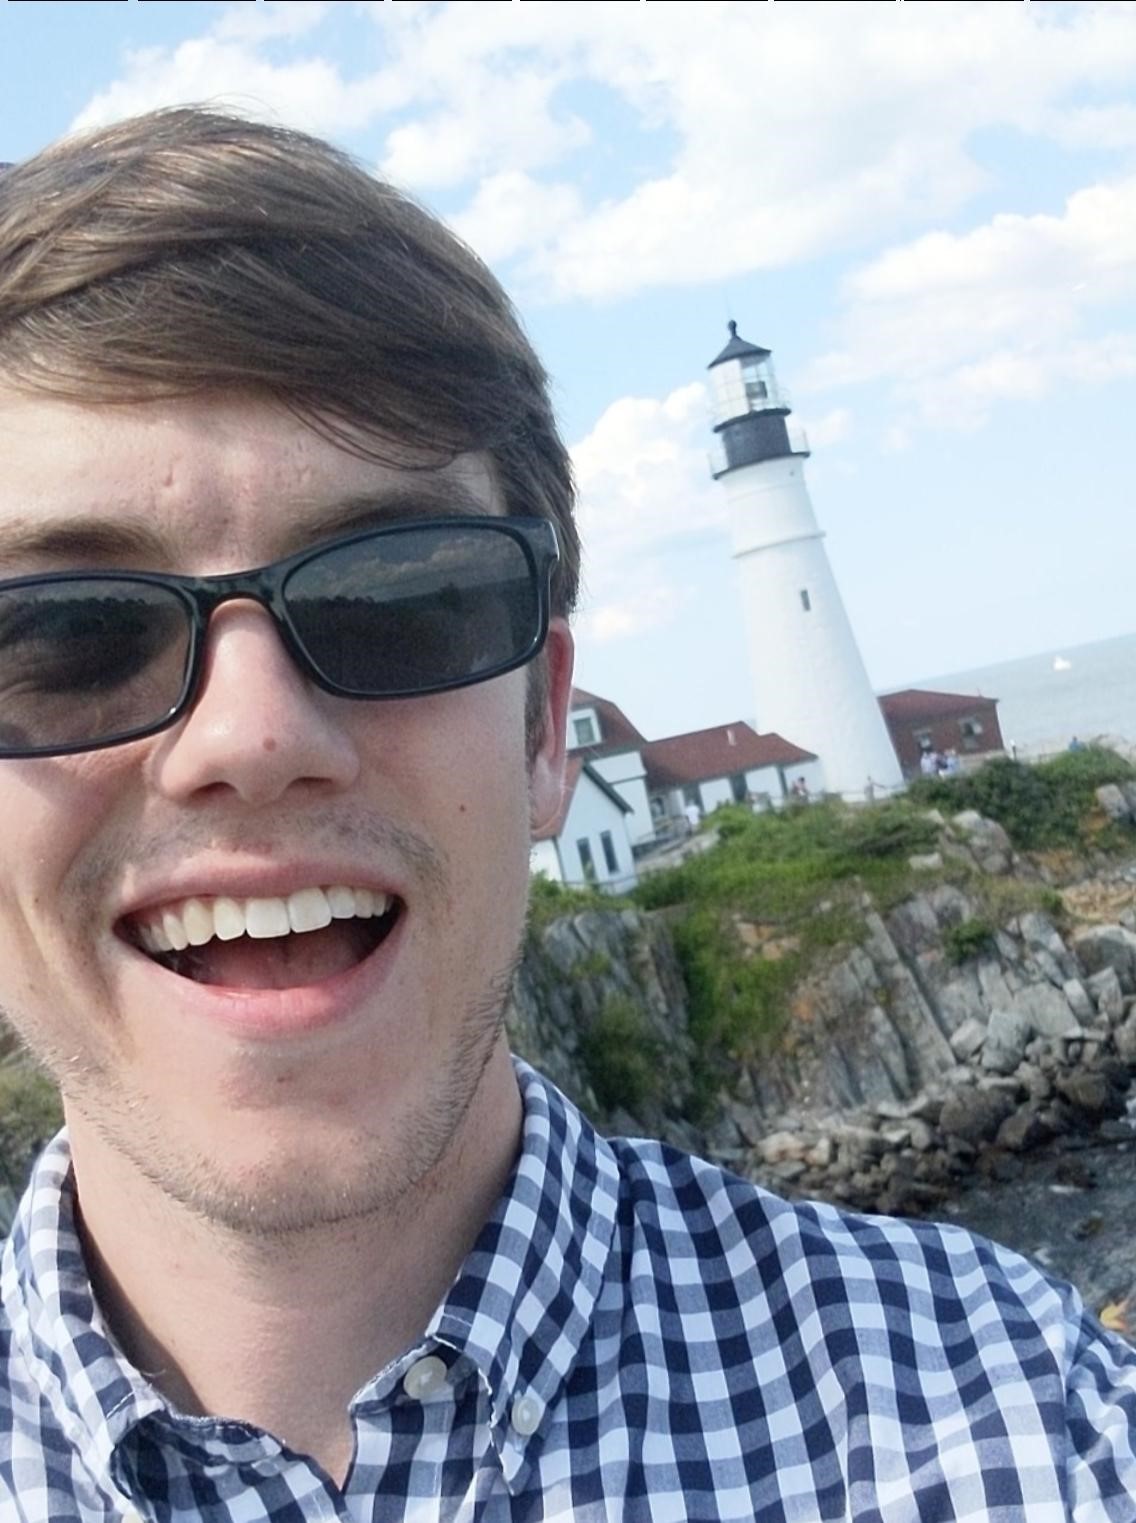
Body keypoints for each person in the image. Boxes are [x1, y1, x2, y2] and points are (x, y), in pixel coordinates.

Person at [0, 109, 1132, 1523]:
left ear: (545, 730)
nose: (253, 736)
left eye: (399, 597)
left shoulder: (1031, 1425)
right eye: (66, 635)